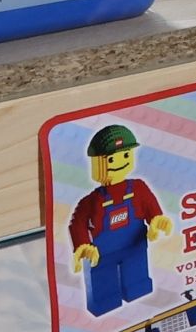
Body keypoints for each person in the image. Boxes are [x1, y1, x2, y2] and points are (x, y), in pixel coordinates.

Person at [67, 124, 172, 317]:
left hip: (135, 246)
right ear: (98, 162)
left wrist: (157, 219)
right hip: (102, 254)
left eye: (125, 155)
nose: (120, 162)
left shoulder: (138, 188)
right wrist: (82, 245)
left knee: (137, 282)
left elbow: (150, 206)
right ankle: (105, 300)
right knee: (104, 293)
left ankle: (135, 288)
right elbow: (77, 223)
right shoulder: (92, 201)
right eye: (111, 159)